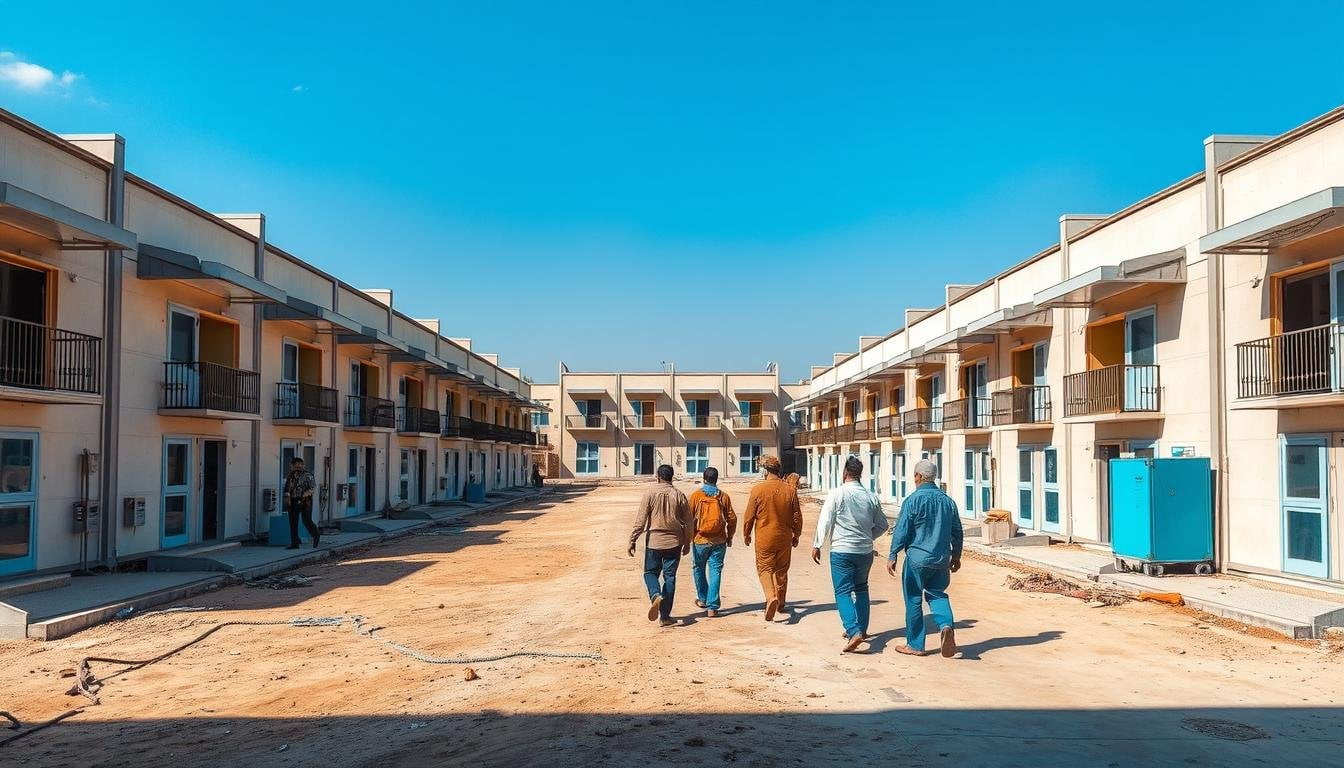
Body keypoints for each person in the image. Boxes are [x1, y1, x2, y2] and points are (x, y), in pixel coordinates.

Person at [886, 458, 963, 658]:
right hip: (940, 560)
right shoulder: (948, 502)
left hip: (917, 559)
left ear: (918, 477)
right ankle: (946, 625)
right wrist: (956, 556)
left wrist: (893, 553)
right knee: (937, 593)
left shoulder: (912, 500)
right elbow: (957, 531)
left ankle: (915, 645)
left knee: (913, 599)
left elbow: (902, 530)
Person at [812, 456, 889, 652]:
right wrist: (867, 537)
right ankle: (861, 630)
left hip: (841, 551)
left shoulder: (837, 494)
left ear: (845, 472)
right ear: (860, 474)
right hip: (864, 552)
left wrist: (817, 544)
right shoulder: (871, 496)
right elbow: (883, 525)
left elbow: (826, 520)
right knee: (862, 589)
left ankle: (853, 630)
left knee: (843, 591)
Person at [628, 464, 692, 627]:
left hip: (654, 542)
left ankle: (655, 594)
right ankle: (665, 616)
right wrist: (687, 542)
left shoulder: (650, 493)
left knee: (650, 573)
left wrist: (633, 539)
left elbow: (640, 521)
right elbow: (689, 522)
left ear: (658, 477)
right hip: (674, 543)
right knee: (670, 577)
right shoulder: (679, 495)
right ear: (672, 477)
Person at [742, 454, 803, 621]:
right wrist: (796, 534)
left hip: (765, 536)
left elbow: (749, 516)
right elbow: (797, 515)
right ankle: (781, 602)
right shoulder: (790, 490)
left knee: (764, 569)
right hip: (784, 537)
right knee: (782, 570)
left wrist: (746, 534)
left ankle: (771, 597)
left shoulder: (758, 490)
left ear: (765, 471)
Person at [688, 467, 737, 618]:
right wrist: (729, 537)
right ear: (717, 479)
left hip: (700, 540)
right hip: (719, 540)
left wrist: (689, 537)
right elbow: (732, 518)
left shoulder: (696, 496)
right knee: (715, 571)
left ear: (704, 478)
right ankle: (713, 606)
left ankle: (703, 599)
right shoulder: (723, 497)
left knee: (698, 568)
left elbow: (688, 518)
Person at [282, 457, 320, 550]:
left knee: (306, 520)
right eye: (295, 465)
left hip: (305, 500)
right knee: (293, 522)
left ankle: (316, 535)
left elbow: (312, 488)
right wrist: (287, 498)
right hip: (293, 500)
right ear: (292, 466)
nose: (298, 467)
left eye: (300, 465)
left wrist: (304, 496)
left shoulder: (308, 475)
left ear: (303, 466)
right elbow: (287, 488)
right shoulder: (290, 476)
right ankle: (295, 543)